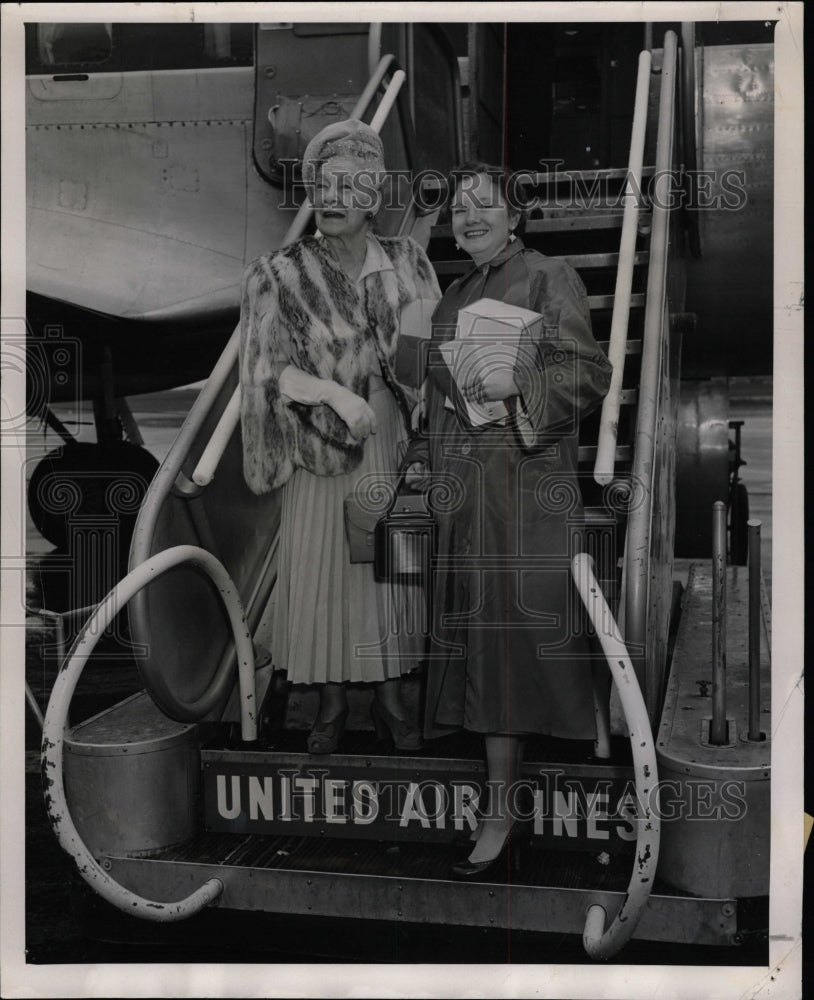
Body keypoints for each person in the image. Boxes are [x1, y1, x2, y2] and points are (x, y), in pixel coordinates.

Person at [404, 162, 613, 878]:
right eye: (459, 207)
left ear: (514, 217)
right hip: (467, 492)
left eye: (483, 205)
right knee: (484, 651)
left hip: (526, 488)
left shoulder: (550, 276)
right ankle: (502, 804)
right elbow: (436, 395)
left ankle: (499, 815)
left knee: (508, 654)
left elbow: (588, 370)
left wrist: (517, 379)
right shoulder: (451, 295)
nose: (467, 217)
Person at [239, 119, 441, 754]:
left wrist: (427, 417)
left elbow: (430, 350)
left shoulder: (408, 262)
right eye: (324, 186)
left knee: (390, 577)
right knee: (324, 573)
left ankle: (389, 698)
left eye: (351, 186)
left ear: (375, 196)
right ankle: (329, 702)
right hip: (321, 445)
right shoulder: (281, 271)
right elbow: (267, 370)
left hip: (393, 446)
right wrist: (334, 393)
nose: (332, 199)